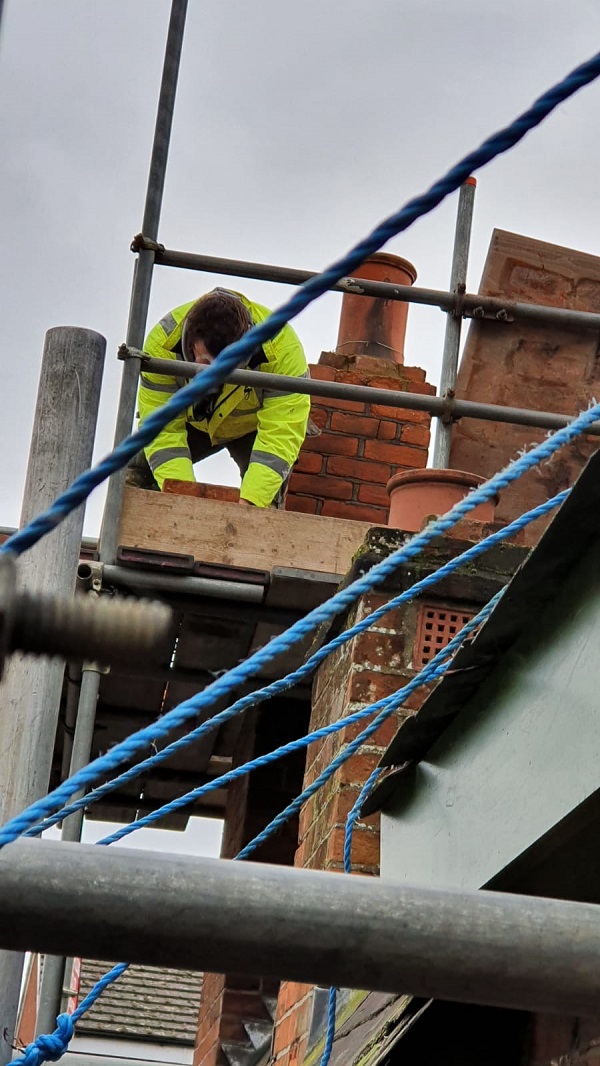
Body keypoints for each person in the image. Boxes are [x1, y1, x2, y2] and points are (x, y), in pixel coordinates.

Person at [135, 288, 311, 507]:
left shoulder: (283, 350)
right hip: (193, 423)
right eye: (206, 362)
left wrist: (251, 502)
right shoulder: (161, 346)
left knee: (264, 504)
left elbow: (281, 433)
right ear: (190, 342)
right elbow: (162, 430)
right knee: (135, 472)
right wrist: (182, 497)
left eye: (228, 367)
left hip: (253, 429)